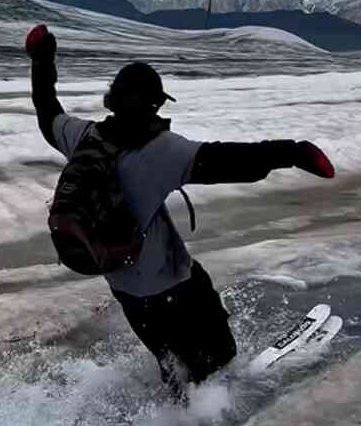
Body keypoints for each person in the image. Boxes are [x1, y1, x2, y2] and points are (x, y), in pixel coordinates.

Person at [26, 25, 335, 402]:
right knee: (217, 354)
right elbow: (230, 161)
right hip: (173, 286)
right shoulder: (163, 151)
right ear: (153, 105)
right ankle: (219, 413)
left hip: (124, 289)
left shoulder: (83, 136)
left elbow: (47, 112)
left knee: (172, 362)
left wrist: (42, 61)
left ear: (113, 98)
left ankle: (179, 418)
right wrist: (295, 151)